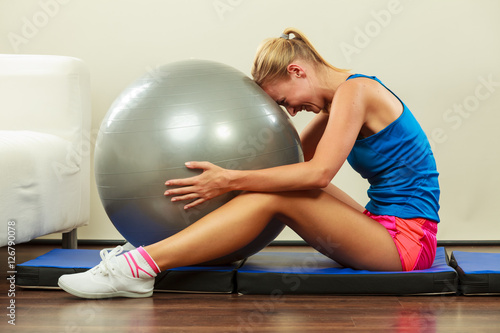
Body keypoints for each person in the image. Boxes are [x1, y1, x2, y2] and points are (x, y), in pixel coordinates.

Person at [58, 28, 440, 299]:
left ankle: (137, 271)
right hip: (382, 226)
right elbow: (292, 160)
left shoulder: (357, 92)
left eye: (284, 100)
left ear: (297, 71)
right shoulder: (343, 98)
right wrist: (232, 175)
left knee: (274, 194)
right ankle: (154, 246)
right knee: (275, 185)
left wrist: (229, 179)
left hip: (407, 242)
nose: (291, 111)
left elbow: (319, 173)